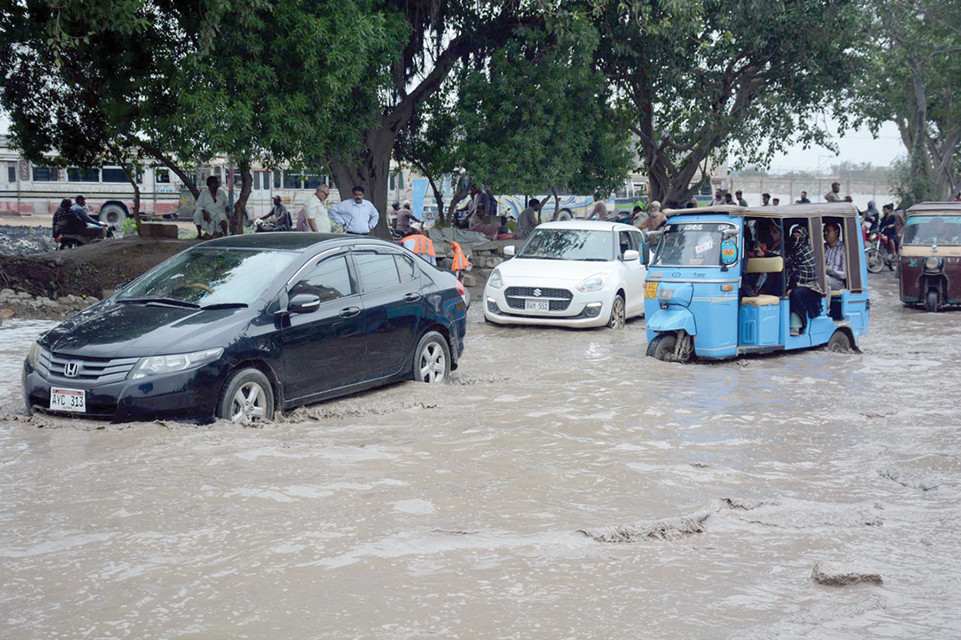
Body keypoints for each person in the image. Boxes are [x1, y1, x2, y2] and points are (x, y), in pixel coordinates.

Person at [785, 225, 824, 336]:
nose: (796, 238)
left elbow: (808, 274)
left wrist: (793, 287)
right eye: (794, 236)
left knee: (796, 293)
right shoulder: (790, 250)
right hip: (792, 282)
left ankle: (797, 326)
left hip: (810, 286)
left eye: (798, 236)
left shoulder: (807, 251)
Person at [823, 221, 846, 290]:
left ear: (836, 232)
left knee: (823, 280)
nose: (825, 233)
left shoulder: (843, 248)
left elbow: (845, 274)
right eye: (824, 231)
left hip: (837, 281)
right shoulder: (822, 247)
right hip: (822, 277)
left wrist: (829, 271)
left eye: (828, 231)